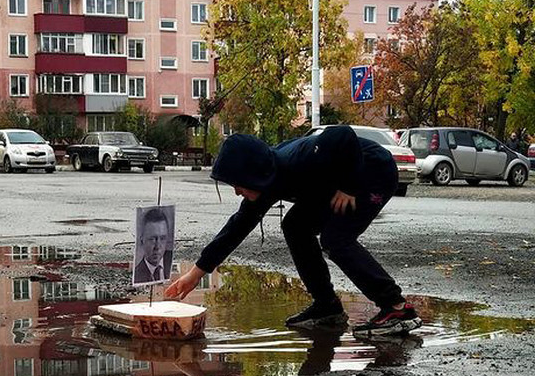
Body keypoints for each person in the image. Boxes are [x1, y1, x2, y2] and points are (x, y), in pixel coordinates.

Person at [164, 126, 422, 337]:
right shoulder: (267, 181)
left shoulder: (298, 160)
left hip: (371, 174)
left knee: (336, 239)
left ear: (252, 174)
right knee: (295, 226)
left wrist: (349, 185)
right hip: (331, 184)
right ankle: (326, 307)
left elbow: (342, 134)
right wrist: (196, 274)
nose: (236, 191)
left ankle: (396, 307)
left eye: (237, 183)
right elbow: (237, 227)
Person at [133, 208, 172, 284]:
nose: (157, 247)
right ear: (142, 240)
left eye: (162, 238)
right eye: (152, 239)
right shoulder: (138, 275)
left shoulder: (172, 261)